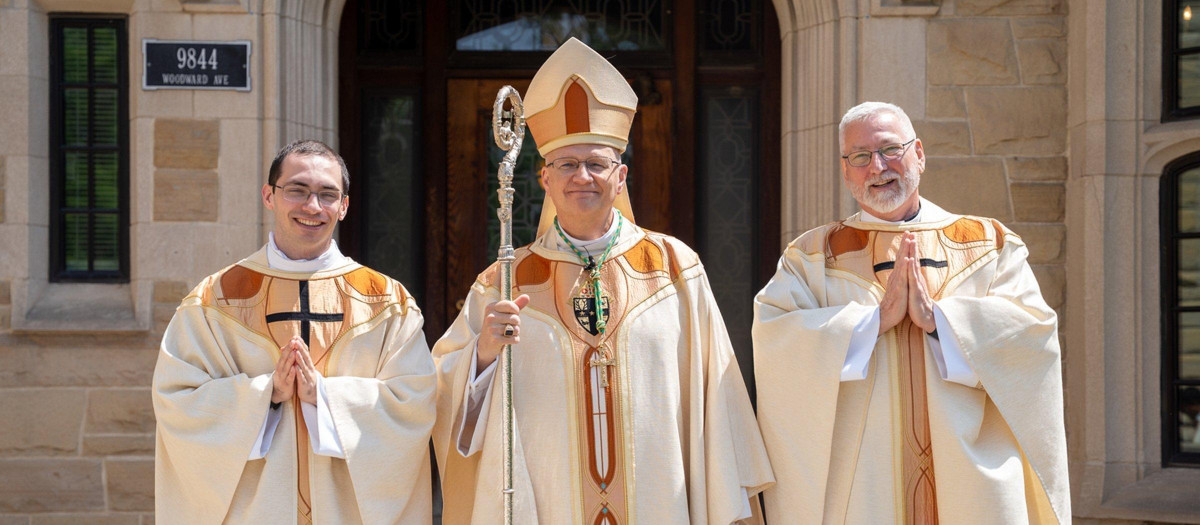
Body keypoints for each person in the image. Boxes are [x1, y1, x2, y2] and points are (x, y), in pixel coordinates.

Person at [431, 38, 773, 524]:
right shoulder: (504, 280)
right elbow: (444, 399)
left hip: (660, 497)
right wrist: (483, 355)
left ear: (621, 177)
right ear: (545, 179)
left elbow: (715, 398)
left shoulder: (673, 266)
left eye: (597, 164)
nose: (582, 177)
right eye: (567, 164)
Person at [753, 102, 1071, 524]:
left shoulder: (987, 244)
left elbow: (1033, 336)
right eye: (860, 157)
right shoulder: (812, 256)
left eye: (890, 150)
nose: (877, 167)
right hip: (862, 487)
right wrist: (871, 323)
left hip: (970, 485)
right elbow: (776, 340)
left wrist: (940, 321)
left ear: (918, 153)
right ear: (846, 171)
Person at [152, 140, 436, 524]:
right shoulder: (214, 299)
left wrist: (325, 396)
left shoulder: (387, 300)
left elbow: (415, 400)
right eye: (297, 190)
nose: (312, 207)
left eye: (327, 195)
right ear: (269, 196)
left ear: (344, 206)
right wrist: (267, 393)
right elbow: (176, 400)